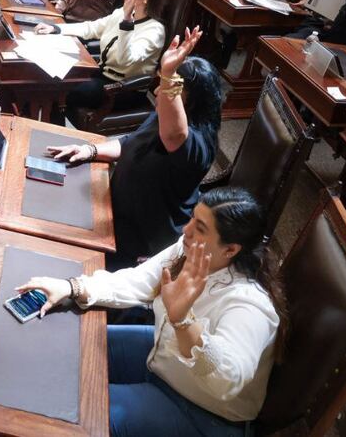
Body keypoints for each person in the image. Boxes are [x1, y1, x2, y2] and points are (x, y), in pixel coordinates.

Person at [16, 187, 285, 436]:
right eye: (192, 218)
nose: (186, 230)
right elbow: (138, 281)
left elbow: (228, 380)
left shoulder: (250, 305)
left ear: (231, 249)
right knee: (70, 344)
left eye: (200, 228)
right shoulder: (188, 249)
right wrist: (72, 287)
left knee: (79, 413)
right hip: (163, 356)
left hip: (201, 409)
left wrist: (182, 321)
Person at [47, 28, 222, 269]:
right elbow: (131, 141)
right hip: (114, 212)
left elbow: (174, 136)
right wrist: (91, 150)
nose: (158, 91)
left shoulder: (198, 146)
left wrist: (169, 73)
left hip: (140, 244)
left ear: (194, 102)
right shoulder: (162, 117)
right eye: (162, 83)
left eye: (171, 88)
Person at [37, 0, 166, 119]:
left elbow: (124, 60)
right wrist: (57, 28)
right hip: (101, 74)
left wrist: (126, 22)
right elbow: (92, 28)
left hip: (122, 90)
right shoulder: (121, 13)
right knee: (53, 79)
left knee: (60, 92)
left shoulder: (155, 31)